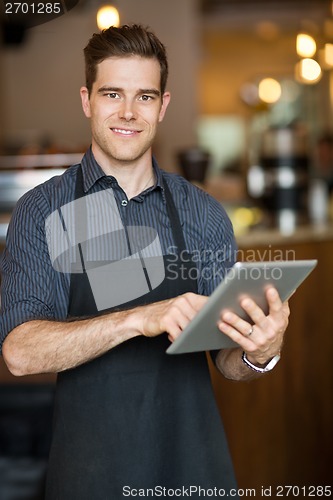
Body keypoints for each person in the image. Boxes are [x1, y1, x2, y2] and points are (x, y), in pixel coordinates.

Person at [0, 24, 289, 499]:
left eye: (145, 97)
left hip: (194, 470)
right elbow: (19, 352)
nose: (129, 113)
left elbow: (227, 360)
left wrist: (260, 352)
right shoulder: (44, 210)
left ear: (164, 105)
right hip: (91, 475)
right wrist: (138, 319)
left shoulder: (202, 212)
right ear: (86, 100)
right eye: (112, 93)